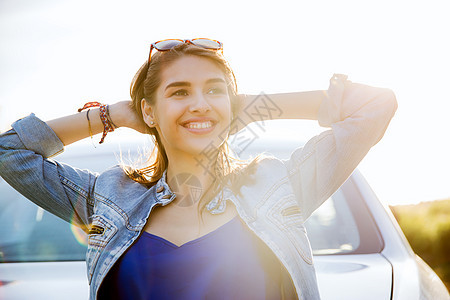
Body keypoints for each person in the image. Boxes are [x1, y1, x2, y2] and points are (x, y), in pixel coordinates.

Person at [0, 38, 397, 300]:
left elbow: (375, 106)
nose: (200, 103)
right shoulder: (109, 197)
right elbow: (10, 151)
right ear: (149, 112)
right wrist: (112, 115)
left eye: (214, 90)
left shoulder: (279, 186)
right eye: (179, 92)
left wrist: (250, 107)